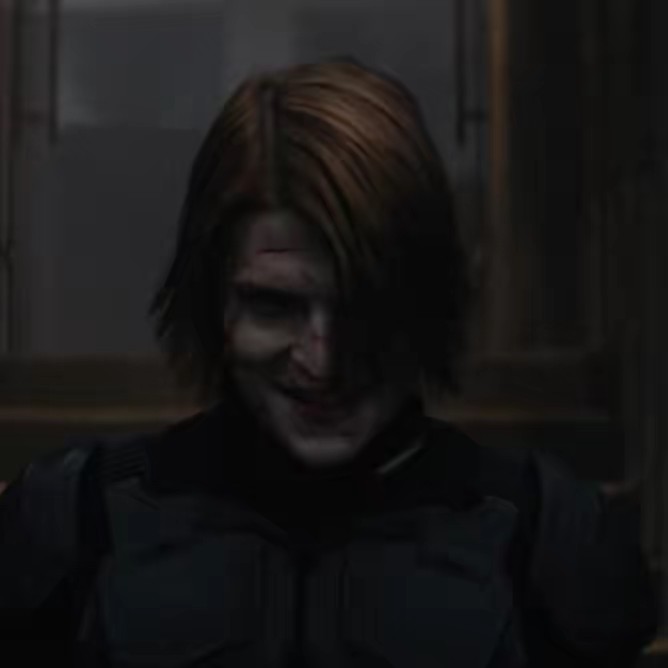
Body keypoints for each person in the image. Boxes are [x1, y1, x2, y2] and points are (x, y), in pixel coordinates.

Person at [0, 58, 658, 667]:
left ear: (424, 300)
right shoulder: (74, 526)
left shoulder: (547, 544)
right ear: (213, 302)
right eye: (275, 306)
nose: (326, 359)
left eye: (366, 304)